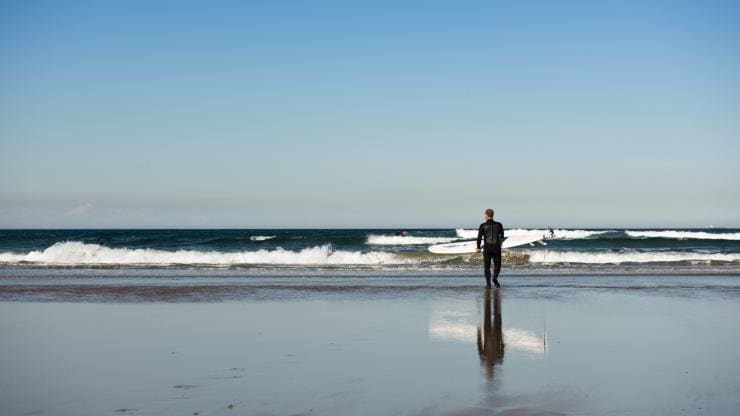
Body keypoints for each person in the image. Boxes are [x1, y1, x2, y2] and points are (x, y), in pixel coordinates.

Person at [475, 208, 504, 288]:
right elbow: (502, 236)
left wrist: (478, 247)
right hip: (496, 247)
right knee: (497, 265)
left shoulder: (483, 225)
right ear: (492, 215)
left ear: (486, 215)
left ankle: (488, 285)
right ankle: (495, 278)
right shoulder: (499, 225)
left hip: (487, 248)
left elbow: (479, 238)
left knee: (487, 266)